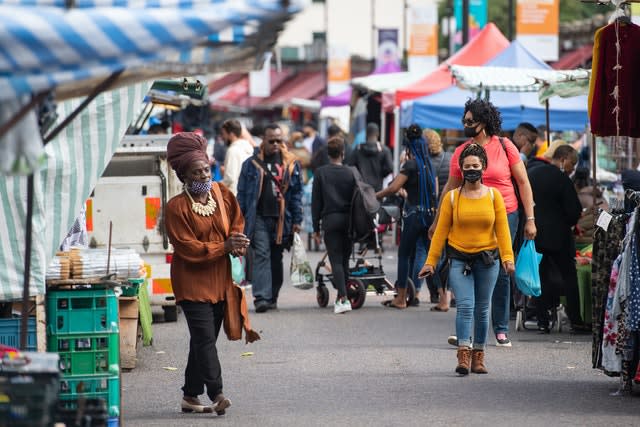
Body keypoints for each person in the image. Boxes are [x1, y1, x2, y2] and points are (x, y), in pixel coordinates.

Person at [430, 98, 536, 348]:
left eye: (470, 121)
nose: (465, 124)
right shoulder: (462, 151)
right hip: (468, 215)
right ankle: (468, 330)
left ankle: (500, 328)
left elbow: (523, 183)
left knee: (499, 269)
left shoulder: (505, 145)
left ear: (483, 122)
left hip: (505, 214)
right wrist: (437, 221)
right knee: (468, 267)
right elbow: (450, 186)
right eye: (463, 121)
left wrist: (530, 218)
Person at [164, 132, 257, 415]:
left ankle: (190, 395)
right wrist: (224, 246)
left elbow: (235, 222)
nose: (204, 174)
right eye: (197, 171)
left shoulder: (222, 192)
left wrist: (237, 241)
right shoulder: (176, 208)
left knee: (202, 341)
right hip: (192, 283)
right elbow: (189, 249)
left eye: (206, 168)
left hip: (220, 281)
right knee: (205, 339)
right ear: (184, 177)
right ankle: (217, 394)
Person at [420, 144, 515, 375]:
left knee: (483, 309)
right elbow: (440, 233)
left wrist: (507, 258)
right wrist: (430, 262)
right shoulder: (452, 198)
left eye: (475, 165)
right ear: (461, 170)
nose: (471, 169)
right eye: (467, 166)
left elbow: (503, 231)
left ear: (483, 167)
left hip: (488, 261)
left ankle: (478, 357)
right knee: (465, 306)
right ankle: (463, 353)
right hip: (460, 261)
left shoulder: (494, 197)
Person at [237, 123, 304, 313]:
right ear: (263, 141)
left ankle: (272, 296)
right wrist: (238, 218)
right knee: (262, 255)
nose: (275, 144)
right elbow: (241, 194)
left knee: (276, 258)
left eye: (278, 140)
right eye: (271, 140)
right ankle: (261, 298)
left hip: (282, 220)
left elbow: (296, 194)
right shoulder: (250, 165)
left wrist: (297, 221)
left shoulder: (291, 164)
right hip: (258, 217)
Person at [527, 145, 588, 333]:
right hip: (559, 237)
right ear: (562, 159)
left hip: (534, 232)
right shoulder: (562, 179)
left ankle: (543, 321)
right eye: (572, 163)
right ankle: (576, 320)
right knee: (569, 276)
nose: (573, 168)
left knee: (541, 276)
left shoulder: (531, 174)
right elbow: (574, 211)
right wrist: (568, 222)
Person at [376, 124, 438, 309]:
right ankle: (443, 298)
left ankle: (401, 298)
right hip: (430, 215)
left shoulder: (410, 164)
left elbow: (394, 187)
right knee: (432, 257)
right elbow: (434, 191)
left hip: (413, 216)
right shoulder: (429, 165)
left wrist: (376, 195)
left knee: (404, 255)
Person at [311, 136, 357, 314]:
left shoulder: (321, 173)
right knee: (344, 261)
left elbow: (316, 203)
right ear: (343, 153)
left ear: (328, 154)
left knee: (335, 260)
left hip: (330, 221)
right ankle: (344, 295)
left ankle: (343, 298)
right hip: (349, 221)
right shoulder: (351, 172)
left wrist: (315, 228)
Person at [420, 128, 453, 307]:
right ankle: (449, 293)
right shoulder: (450, 158)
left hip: (432, 211)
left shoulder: (424, 163)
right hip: (452, 210)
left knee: (432, 255)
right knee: (450, 256)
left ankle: (438, 295)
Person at [347, 122, 393, 192]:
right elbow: (390, 168)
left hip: (361, 189)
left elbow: (350, 167)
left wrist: (358, 177)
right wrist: (381, 174)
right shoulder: (384, 150)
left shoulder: (358, 149)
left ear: (366, 134)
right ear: (378, 134)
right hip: (378, 190)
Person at [221, 119, 254, 195]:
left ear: (231, 134)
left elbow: (230, 178)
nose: (223, 137)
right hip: (247, 194)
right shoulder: (249, 148)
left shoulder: (232, 150)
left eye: (224, 133)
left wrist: (215, 186)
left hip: (235, 195)